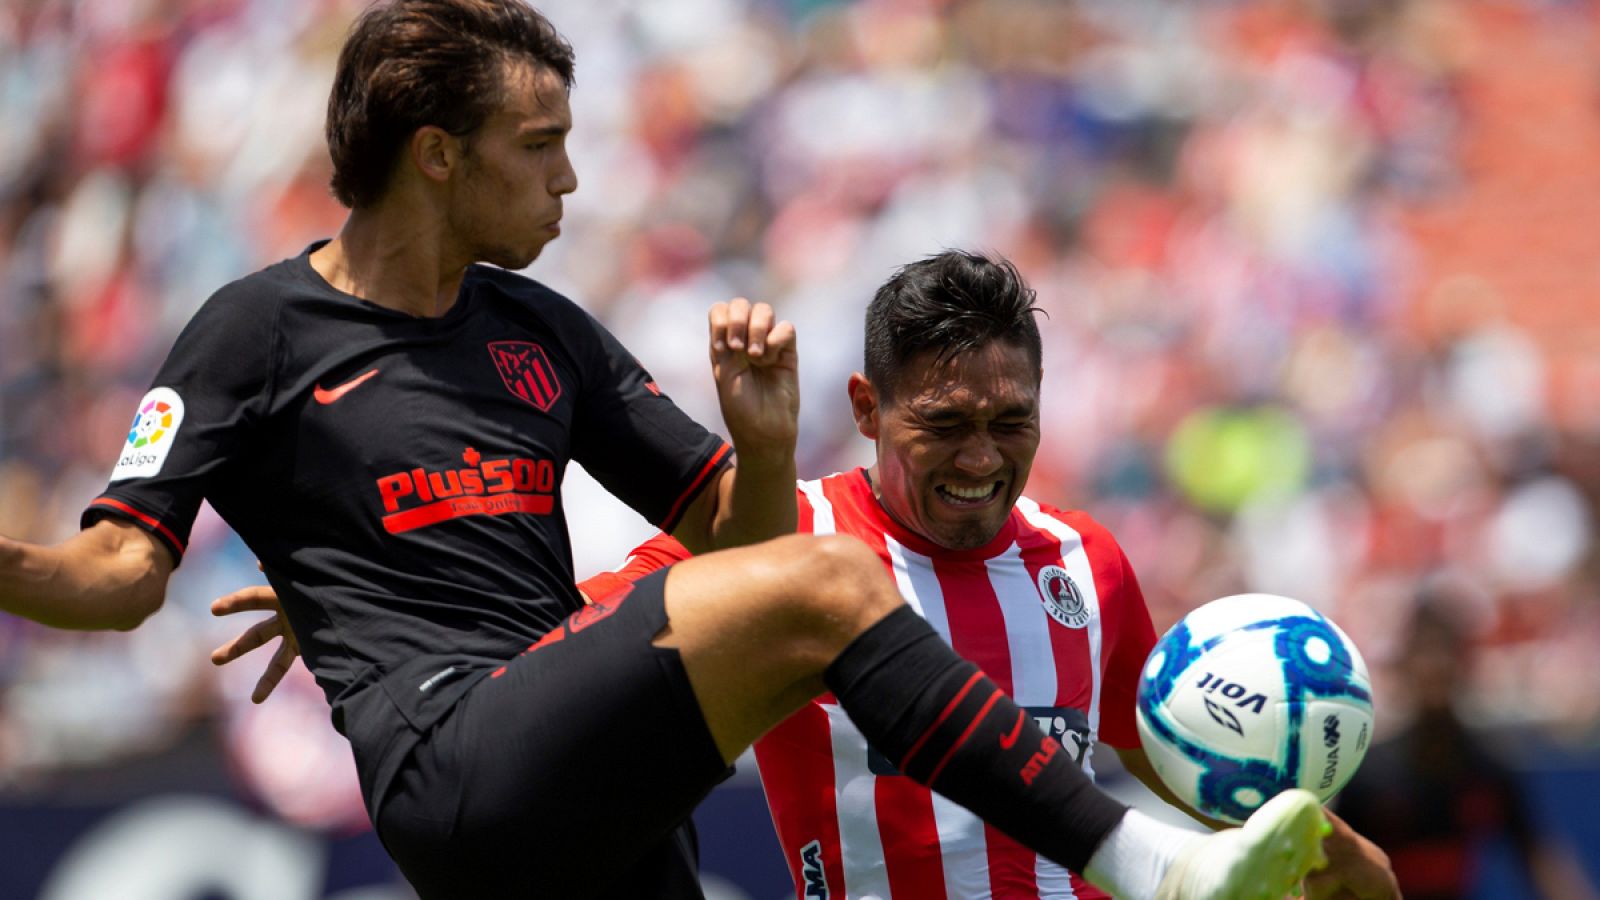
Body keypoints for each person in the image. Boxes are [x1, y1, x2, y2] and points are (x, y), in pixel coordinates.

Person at [0, 2, 1335, 897]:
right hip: (455, 757)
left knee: (802, 578)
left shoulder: (543, 333)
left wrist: (759, 451)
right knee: (832, 576)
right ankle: (1151, 869)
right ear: (437, 158)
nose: (571, 181)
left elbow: (736, 562)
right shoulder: (255, 329)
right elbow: (112, 579)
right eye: (541, 148)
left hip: (597, 788)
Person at [218, 248, 1398, 898]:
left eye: (1011, 421)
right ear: (867, 408)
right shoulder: (773, 556)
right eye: (945, 424)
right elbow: (545, 672)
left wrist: (1319, 845)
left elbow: (1174, 787)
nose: (982, 457)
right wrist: (372, 588)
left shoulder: (1090, 566)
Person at [1335, 596, 1599, 900]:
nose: (1434, 667)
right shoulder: (1370, 773)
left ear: (1464, 663)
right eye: (1424, 653)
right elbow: (1335, 872)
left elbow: (1542, 860)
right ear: (1405, 666)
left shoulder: (1489, 768)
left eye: (1444, 652)